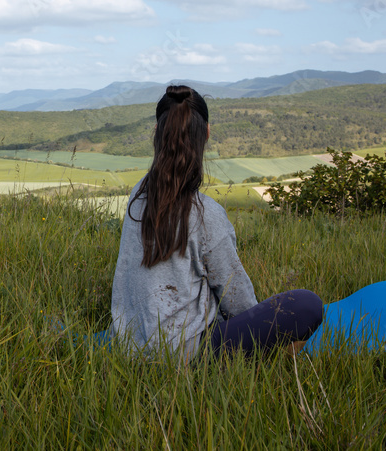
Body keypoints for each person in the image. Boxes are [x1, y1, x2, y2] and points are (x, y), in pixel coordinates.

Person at [109, 85, 323, 361]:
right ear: (207, 133)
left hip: (129, 345)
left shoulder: (138, 194)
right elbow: (237, 302)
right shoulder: (205, 213)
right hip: (185, 355)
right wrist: (259, 331)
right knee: (307, 305)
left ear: (156, 131)